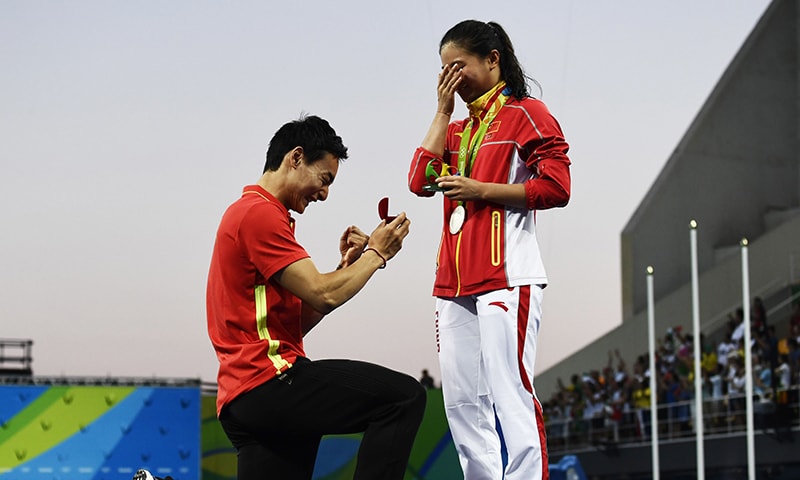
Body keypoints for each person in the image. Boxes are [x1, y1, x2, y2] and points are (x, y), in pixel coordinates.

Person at [207, 115, 426, 480]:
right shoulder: (259, 214)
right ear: (296, 157)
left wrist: (346, 267)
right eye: (324, 180)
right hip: (269, 380)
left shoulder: (251, 214)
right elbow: (323, 294)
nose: (324, 194)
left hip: (245, 399)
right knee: (403, 399)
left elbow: (300, 319)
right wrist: (377, 254)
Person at [407, 20, 571, 479]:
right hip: (453, 282)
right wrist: (440, 111)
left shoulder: (527, 113)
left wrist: (481, 189)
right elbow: (419, 181)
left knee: (510, 392)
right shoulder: (457, 130)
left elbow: (558, 186)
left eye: (458, 68)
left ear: (492, 60)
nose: (451, 80)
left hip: (507, 274)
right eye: (444, 72)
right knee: (461, 402)